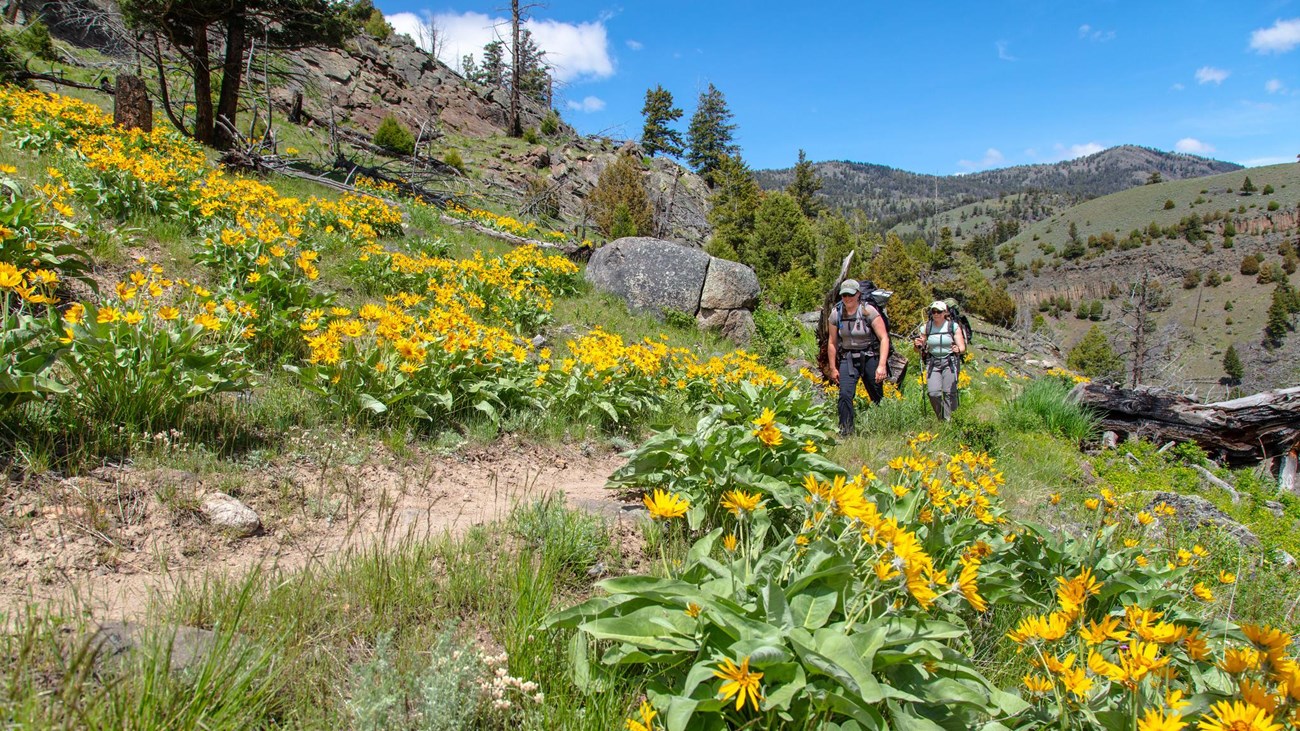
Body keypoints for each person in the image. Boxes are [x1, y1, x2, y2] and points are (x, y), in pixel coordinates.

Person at [827, 279, 890, 436]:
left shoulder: (869, 312)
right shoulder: (836, 314)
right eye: (844, 295)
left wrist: (881, 365)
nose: (847, 298)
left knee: (876, 395)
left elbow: (884, 338)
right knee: (844, 395)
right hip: (847, 358)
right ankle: (846, 432)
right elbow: (832, 342)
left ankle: (882, 428)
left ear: (858, 294)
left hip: (869, 356)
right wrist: (833, 368)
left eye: (851, 295)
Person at [913, 300, 966, 421]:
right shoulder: (926, 328)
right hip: (933, 362)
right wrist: (917, 345)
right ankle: (942, 418)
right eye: (933, 311)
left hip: (950, 361)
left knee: (949, 393)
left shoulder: (953, 327)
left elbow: (962, 348)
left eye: (939, 312)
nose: (936, 314)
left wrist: (958, 349)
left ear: (945, 313)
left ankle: (950, 421)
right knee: (933, 393)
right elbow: (918, 349)